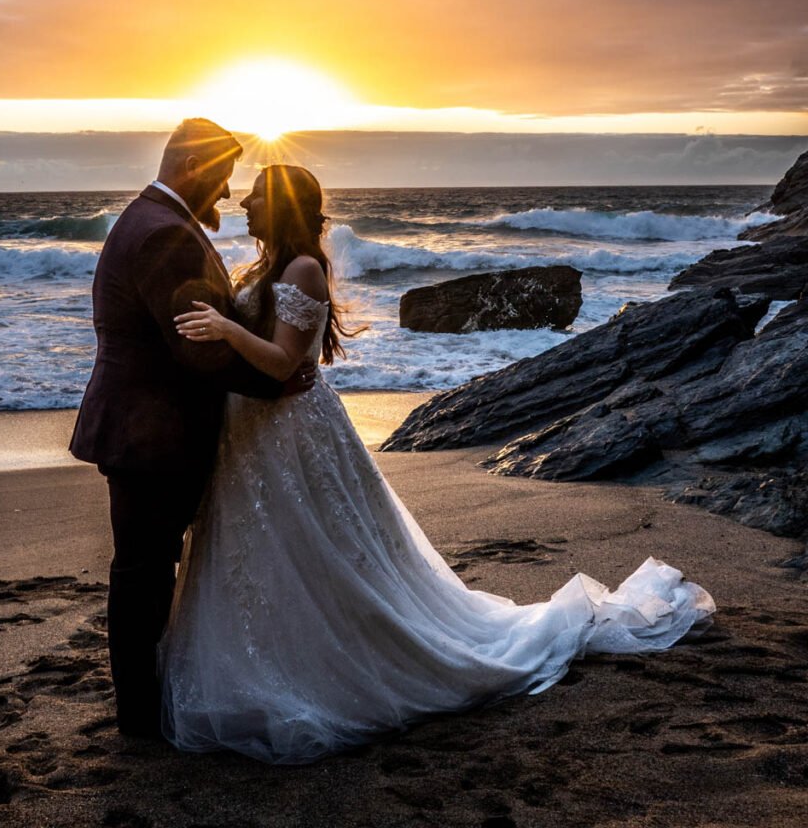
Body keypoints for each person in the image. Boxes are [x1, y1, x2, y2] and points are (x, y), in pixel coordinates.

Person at [160, 163, 716, 765]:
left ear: (286, 207)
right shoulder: (261, 267)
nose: (245, 203)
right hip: (252, 428)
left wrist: (223, 328)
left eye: (259, 197)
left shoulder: (302, 270)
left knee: (319, 550)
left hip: (292, 428)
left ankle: (340, 662)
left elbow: (282, 364)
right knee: (266, 550)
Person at [69, 120, 312, 737]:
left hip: (146, 431)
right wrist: (277, 383)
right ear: (195, 169)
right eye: (224, 177)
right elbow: (195, 347)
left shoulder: (151, 221)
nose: (228, 194)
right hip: (150, 437)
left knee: (145, 571)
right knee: (144, 573)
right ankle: (139, 717)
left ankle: (143, 706)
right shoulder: (164, 235)